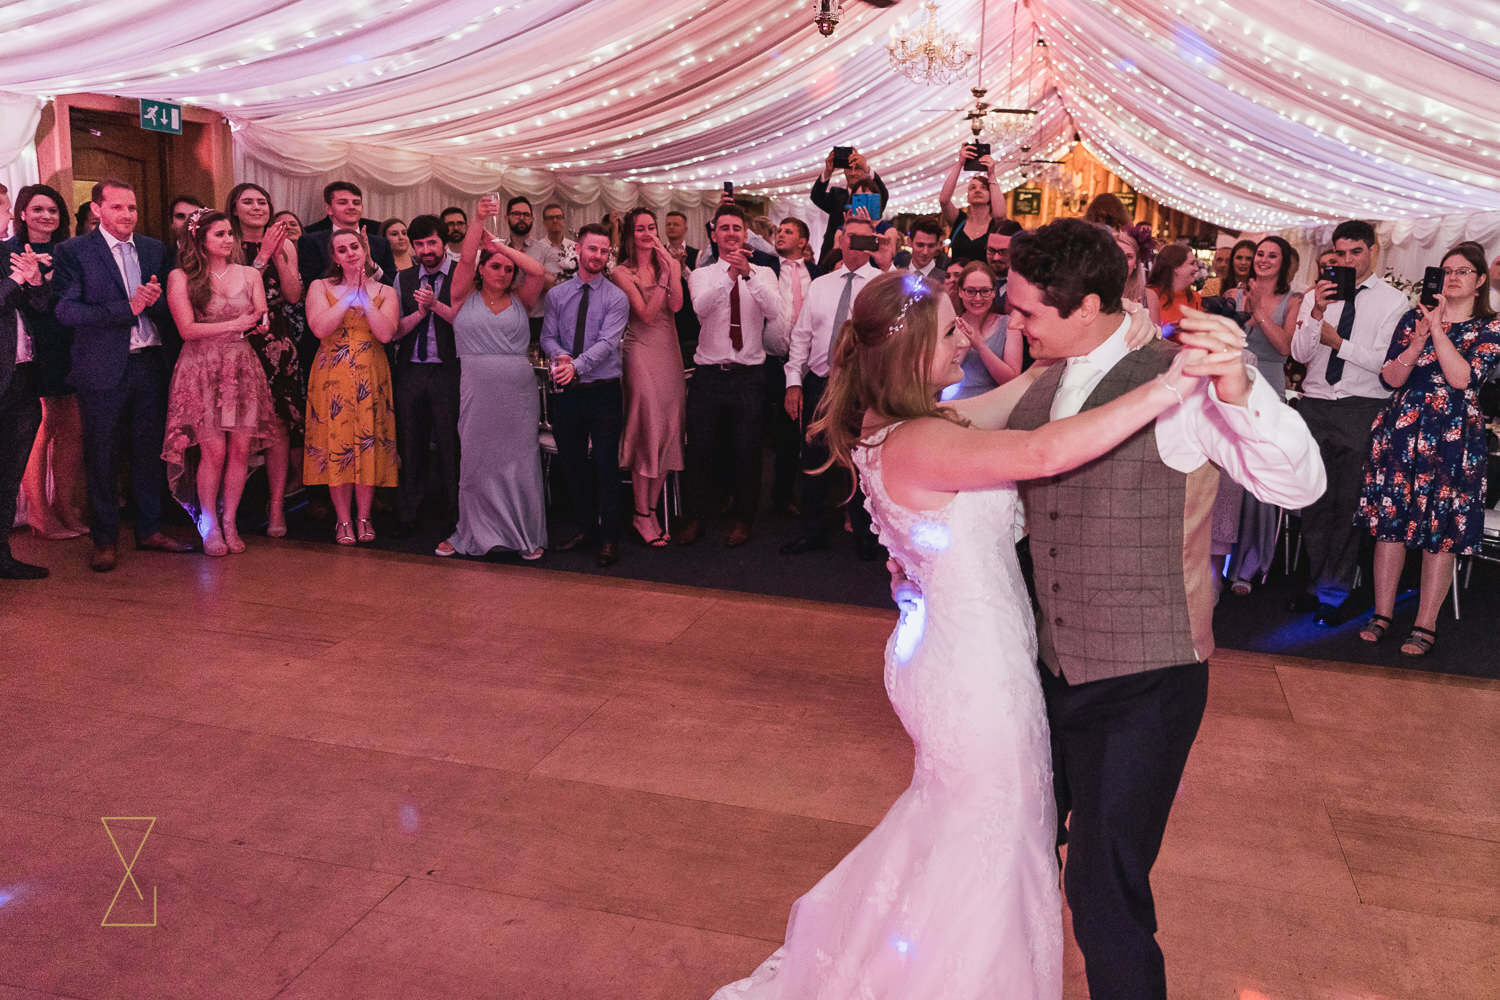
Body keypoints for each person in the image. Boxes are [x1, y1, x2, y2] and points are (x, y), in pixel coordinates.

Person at [712, 269, 1230, 1000]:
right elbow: (1044, 453)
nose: (969, 339)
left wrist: (1121, 339)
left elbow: (1017, 401)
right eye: (952, 332)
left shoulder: (916, 426)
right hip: (975, 673)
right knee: (992, 840)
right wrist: (1170, 387)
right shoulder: (922, 440)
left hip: (963, 652)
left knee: (973, 831)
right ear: (914, 351)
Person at [1356, 243, 1500, 655]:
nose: (1452, 277)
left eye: (1463, 271)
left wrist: (1438, 329)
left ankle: (1425, 624)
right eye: (1447, 270)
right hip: (1402, 432)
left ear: (1479, 282)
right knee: (1390, 526)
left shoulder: (1490, 328)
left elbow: (1461, 379)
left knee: (1442, 533)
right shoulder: (1410, 319)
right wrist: (1418, 339)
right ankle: (1382, 614)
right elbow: (1391, 378)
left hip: (1453, 438)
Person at [54, 178, 195, 572]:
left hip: (150, 361)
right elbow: (66, 311)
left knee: (149, 449)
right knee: (102, 453)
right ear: (97, 209)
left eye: (132, 208)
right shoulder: (74, 252)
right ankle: (105, 539)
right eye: (118, 207)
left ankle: (150, 529)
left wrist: (156, 304)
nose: (127, 215)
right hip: (101, 367)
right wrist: (127, 307)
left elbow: (169, 305)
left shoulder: (153, 249)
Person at [1288, 220, 1409, 623]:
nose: (1348, 260)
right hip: (1317, 403)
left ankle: (1334, 593)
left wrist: (1339, 343)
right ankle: (1313, 585)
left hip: (1362, 407)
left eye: (1356, 252)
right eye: (1341, 253)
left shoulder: (1394, 302)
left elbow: (1384, 362)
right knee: (1313, 500)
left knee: (1347, 505)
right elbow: (1300, 354)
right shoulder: (1316, 295)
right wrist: (1317, 311)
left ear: (1373, 251)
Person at [431, 196, 547, 560]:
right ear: (483, 271)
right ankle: (473, 532)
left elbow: (539, 272)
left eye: (508, 269)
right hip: (477, 392)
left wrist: (501, 248)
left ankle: (524, 534)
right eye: (495, 266)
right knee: (477, 462)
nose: (502, 272)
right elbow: (466, 258)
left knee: (520, 462)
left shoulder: (522, 300)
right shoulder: (462, 296)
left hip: (519, 395)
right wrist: (479, 221)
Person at [161, 210, 279, 556]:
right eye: (220, 234)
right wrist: (238, 323)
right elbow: (187, 330)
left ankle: (231, 521)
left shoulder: (249, 274)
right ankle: (209, 522)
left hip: (240, 364)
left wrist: (260, 324)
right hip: (201, 365)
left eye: (230, 233)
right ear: (200, 240)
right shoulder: (180, 277)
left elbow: (260, 316)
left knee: (241, 449)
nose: (228, 240)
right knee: (214, 451)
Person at [681, 205, 784, 548]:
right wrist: (729, 276)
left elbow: (774, 310)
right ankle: (695, 516)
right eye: (724, 228)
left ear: (745, 234)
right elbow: (701, 308)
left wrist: (748, 275)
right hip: (709, 375)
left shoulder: (765, 273)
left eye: (736, 228)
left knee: (747, 452)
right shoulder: (703, 274)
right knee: (699, 450)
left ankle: (744, 519)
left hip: (749, 376)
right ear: (714, 235)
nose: (730, 233)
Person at [781, 216, 883, 556]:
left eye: (865, 239)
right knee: (813, 457)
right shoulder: (821, 285)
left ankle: (865, 535)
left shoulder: (881, 286)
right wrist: (793, 382)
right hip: (819, 384)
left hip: (860, 388)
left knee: (860, 462)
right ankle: (812, 531)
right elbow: (801, 337)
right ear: (840, 240)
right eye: (851, 238)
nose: (856, 244)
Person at [303, 228, 400, 545]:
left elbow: (386, 334)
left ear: (365, 249)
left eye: (354, 246)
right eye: (342, 249)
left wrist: (365, 296)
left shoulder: (386, 290)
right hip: (333, 375)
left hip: (371, 373)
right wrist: (349, 294)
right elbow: (319, 327)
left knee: (367, 443)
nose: (350, 253)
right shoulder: (320, 286)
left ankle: (364, 516)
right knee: (338, 445)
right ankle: (342, 520)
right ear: (334, 257)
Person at [540, 223, 629, 566]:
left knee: (606, 465)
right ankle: (586, 528)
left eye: (604, 251)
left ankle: (610, 538)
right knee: (573, 464)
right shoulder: (558, 295)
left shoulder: (616, 297)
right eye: (593, 249)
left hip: (604, 391)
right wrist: (560, 356)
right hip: (568, 392)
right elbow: (547, 337)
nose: (598, 256)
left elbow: (608, 344)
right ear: (578, 249)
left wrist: (575, 365)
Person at [10, 184, 89, 540]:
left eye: (53, 211)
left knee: (71, 426)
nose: (46, 216)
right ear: (22, 214)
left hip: (68, 343)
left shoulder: (70, 251)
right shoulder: (6, 252)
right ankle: (39, 513)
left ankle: (66, 507)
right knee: (38, 427)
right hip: (28, 346)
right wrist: (33, 280)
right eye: (38, 209)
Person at [1224, 236, 1302, 594]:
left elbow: (1286, 348)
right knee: (1227, 480)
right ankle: (1217, 555)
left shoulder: (1294, 300)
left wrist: (1259, 313)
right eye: (1260, 254)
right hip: (1231, 390)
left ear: (1284, 262)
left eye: (1273, 255)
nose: (1264, 259)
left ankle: (1249, 566)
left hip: (1268, 391)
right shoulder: (1231, 295)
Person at [227, 182, 305, 536]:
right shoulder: (225, 242)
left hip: (277, 341)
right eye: (248, 202)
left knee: (277, 426)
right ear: (235, 207)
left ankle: (277, 508)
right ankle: (229, 512)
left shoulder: (285, 243)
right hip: (237, 339)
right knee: (237, 428)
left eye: (262, 202)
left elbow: (291, 294)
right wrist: (260, 258)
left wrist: (277, 254)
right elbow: (233, 297)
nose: (257, 207)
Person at [610, 208, 686, 548]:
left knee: (670, 428)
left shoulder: (668, 264)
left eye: (651, 227)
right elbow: (646, 312)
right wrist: (669, 273)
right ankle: (640, 513)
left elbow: (678, 307)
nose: (646, 233)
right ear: (630, 233)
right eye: (640, 228)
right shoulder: (621, 271)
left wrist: (669, 266)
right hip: (639, 350)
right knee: (648, 427)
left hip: (669, 350)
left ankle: (651, 509)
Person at [391, 215, 461, 537]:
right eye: (419, 244)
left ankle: (455, 514)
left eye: (432, 242)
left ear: (444, 243)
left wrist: (434, 306)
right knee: (411, 442)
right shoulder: (403, 279)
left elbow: (467, 324)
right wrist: (420, 312)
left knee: (450, 443)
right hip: (411, 370)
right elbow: (394, 331)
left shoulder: (462, 275)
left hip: (449, 370)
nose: (426, 250)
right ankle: (409, 512)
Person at [0, 241, 48, 578]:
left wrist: (34, 280)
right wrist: (17, 278)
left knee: (9, 475)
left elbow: (42, 307)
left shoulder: (8, 255)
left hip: (23, 377)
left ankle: (1, 554)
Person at [296, 181, 397, 287]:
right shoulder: (311, 242)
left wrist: (370, 264)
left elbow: (393, 285)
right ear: (329, 209)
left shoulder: (381, 243)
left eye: (356, 203)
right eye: (343, 202)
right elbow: (311, 284)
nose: (351, 207)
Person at [948, 261, 1021, 400]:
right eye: (970, 291)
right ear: (960, 292)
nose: (978, 298)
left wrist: (981, 346)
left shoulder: (1009, 325)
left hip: (994, 405)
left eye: (985, 291)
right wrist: (963, 345)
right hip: (953, 403)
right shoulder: (949, 323)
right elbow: (938, 378)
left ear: (994, 292)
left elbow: (1012, 380)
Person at [810, 146, 889, 266]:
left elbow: (883, 194)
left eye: (857, 169)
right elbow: (816, 196)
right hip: (834, 256)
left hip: (864, 254)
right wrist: (828, 171)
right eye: (849, 169)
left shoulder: (873, 199)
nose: (853, 173)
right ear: (844, 171)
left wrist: (866, 168)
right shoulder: (836, 194)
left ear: (864, 171)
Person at [938, 140, 1005, 264]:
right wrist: (959, 164)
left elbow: (1000, 214)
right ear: (968, 197)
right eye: (972, 188)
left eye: (983, 188)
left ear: (991, 196)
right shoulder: (959, 220)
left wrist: (991, 174)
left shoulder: (995, 224)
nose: (977, 190)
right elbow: (943, 200)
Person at [1145, 243, 1202, 332]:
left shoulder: (1196, 298)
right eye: (1192, 263)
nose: (1196, 269)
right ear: (1175, 267)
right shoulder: (1150, 295)